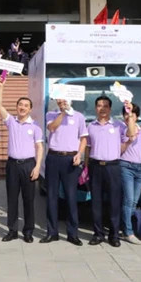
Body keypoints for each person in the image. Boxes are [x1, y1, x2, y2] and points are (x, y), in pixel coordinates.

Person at [0, 77, 43, 243]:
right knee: (12, 199)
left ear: (30, 109)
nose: (22, 108)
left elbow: (39, 148)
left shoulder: (35, 127)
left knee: (28, 200)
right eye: (20, 105)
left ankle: (28, 231)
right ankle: (12, 230)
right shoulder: (11, 122)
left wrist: (37, 167)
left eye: (26, 106)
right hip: (12, 165)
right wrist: (1, 87)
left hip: (29, 165)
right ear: (17, 107)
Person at [42, 98, 87, 246]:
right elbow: (52, 128)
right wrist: (62, 113)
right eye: (60, 99)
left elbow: (83, 138)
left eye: (65, 99)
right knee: (52, 196)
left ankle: (72, 233)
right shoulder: (51, 114)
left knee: (71, 196)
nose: (63, 101)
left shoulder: (79, 116)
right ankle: (52, 232)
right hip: (54, 157)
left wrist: (79, 154)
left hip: (70, 159)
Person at [85, 96, 129, 247]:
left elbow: (127, 140)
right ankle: (98, 234)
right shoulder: (90, 126)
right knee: (96, 202)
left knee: (114, 202)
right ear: (95, 108)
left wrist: (129, 111)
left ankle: (114, 235)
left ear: (110, 108)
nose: (102, 108)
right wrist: (85, 166)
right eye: (99, 105)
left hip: (113, 167)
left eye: (105, 106)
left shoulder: (119, 125)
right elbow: (88, 147)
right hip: (95, 166)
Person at [119, 103, 141, 245]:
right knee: (128, 200)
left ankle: (124, 225)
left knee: (134, 201)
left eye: (131, 114)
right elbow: (119, 149)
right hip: (127, 167)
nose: (128, 117)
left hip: (140, 168)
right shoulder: (122, 130)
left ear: (137, 116)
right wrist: (129, 141)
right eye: (126, 114)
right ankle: (128, 232)